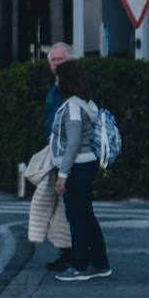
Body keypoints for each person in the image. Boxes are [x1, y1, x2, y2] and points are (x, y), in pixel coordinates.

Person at [50, 60, 111, 281]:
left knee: (77, 217)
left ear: (65, 81)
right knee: (86, 215)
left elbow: (73, 142)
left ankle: (79, 265)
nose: (56, 82)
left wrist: (63, 174)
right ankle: (100, 263)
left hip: (78, 166)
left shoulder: (73, 106)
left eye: (58, 78)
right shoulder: (87, 103)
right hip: (86, 164)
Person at [38, 43, 75, 270]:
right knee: (59, 208)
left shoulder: (72, 87)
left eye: (60, 60)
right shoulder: (56, 86)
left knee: (67, 207)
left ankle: (73, 254)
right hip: (55, 151)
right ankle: (67, 252)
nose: (56, 64)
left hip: (66, 155)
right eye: (53, 60)